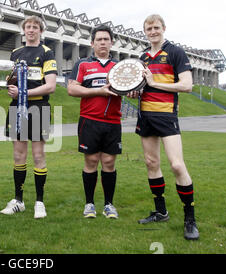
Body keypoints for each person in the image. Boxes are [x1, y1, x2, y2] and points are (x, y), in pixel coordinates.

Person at [136, 14, 199, 240]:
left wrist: (155, 83)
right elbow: (142, 85)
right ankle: (161, 211)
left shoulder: (175, 52)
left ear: (163, 28)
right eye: (148, 28)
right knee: (152, 163)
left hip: (166, 115)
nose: (152, 31)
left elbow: (187, 85)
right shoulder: (142, 56)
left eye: (155, 27)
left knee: (176, 165)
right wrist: (137, 90)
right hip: (145, 115)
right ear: (145, 31)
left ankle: (190, 219)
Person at [67, 24, 138, 219]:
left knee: (108, 162)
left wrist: (132, 93)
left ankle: (109, 204)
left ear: (112, 42)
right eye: (99, 39)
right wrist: (98, 91)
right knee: (90, 161)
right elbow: (72, 89)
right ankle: (89, 204)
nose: (103, 42)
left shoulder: (120, 67)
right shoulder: (82, 65)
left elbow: (132, 90)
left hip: (113, 122)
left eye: (106, 39)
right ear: (92, 43)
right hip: (89, 121)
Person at [0, 15, 57, 219]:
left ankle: (39, 202)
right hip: (17, 107)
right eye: (28, 27)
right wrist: (6, 84)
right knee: (18, 155)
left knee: (39, 155)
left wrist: (23, 93)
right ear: (23, 30)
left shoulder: (47, 52)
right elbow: (12, 78)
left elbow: (50, 85)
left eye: (35, 27)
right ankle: (19, 200)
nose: (31, 30)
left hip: (38, 106)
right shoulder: (16, 53)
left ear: (40, 31)